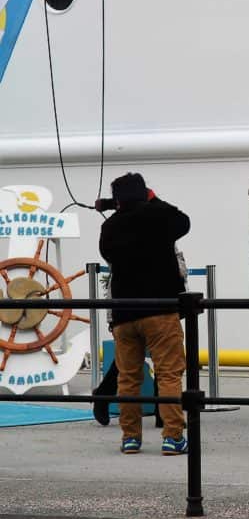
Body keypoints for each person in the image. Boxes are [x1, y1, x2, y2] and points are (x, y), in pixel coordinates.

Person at [98, 172, 190, 455]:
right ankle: (172, 436)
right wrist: (154, 199)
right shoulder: (160, 217)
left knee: (128, 378)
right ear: (146, 193)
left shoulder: (111, 226)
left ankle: (130, 437)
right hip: (160, 310)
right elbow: (183, 221)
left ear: (118, 200)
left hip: (125, 312)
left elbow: (107, 254)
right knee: (169, 373)